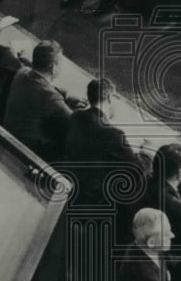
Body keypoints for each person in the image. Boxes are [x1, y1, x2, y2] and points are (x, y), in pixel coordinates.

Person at [62, 78, 151, 207]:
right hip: (89, 200)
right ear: (109, 98)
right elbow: (140, 169)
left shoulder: (76, 116)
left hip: (69, 184)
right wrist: (147, 152)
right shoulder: (113, 134)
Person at [2, 40, 86, 162]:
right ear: (54, 68)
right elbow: (76, 121)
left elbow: (41, 80)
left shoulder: (23, 72)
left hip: (9, 131)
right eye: (61, 62)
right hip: (25, 149)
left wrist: (67, 94)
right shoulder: (50, 96)